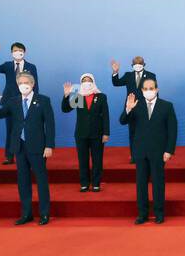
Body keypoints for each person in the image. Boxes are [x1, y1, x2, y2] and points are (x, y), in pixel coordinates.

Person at [0, 73, 54, 225]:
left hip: (37, 146)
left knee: (41, 181)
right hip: (19, 146)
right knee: (23, 181)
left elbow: (50, 124)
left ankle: (44, 214)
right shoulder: (13, 101)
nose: (23, 85)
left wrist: (49, 145)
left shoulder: (43, 100)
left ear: (33, 84)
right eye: (20, 82)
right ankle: (27, 214)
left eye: (26, 82)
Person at [120, 78, 176, 224]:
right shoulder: (135, 105)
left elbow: (172, 130)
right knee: (141, 184)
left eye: (151, 88)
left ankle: (159, 213)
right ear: (142, 91)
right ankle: (142, 214)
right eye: (145, 89)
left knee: (158, 183)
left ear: (156, 89)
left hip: (159, 152)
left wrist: (169, 150)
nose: (148, 91)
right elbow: (122, 121)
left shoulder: (167, 106)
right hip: (140, 151)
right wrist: (128, 109)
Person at [0, 40, 38, 165]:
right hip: (9, 103)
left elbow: (35, 85)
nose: (18, 52)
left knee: (28, 129)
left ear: (24, 52)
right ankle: (9, 156)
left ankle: (29, 155)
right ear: (11, 53)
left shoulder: (31, 67)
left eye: (20, 50)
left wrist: (34, 102)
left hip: (26, 102)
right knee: (10, 130)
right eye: (15, 50)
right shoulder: (7, 66)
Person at [61, 73, 110, 192]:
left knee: (97, 160)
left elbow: (105, 116)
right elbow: (65, 109)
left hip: (97, 134)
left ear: (93, 82)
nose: (86, 82)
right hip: (81, 134)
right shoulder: (78, 97)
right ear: (81, 83)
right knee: (83, 160)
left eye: (89, 80)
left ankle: (96, 183)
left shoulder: (101, 96)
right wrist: (66, 95)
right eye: (84, 80)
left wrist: (106, 133)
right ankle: (84, 183)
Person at [109, 56, 156, 164]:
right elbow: (116, 83)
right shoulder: (128, 75)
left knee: (147, 133)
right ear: (132, 65)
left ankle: (147, 155)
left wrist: (155, 107)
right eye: (135, 63)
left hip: (146, 108)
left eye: (140, 63)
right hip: (131, 108)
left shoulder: (151, 75)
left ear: (144, 64)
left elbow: (154, 92)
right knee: (133, 133)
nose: (137, 65)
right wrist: (115, 72)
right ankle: (134, 156)